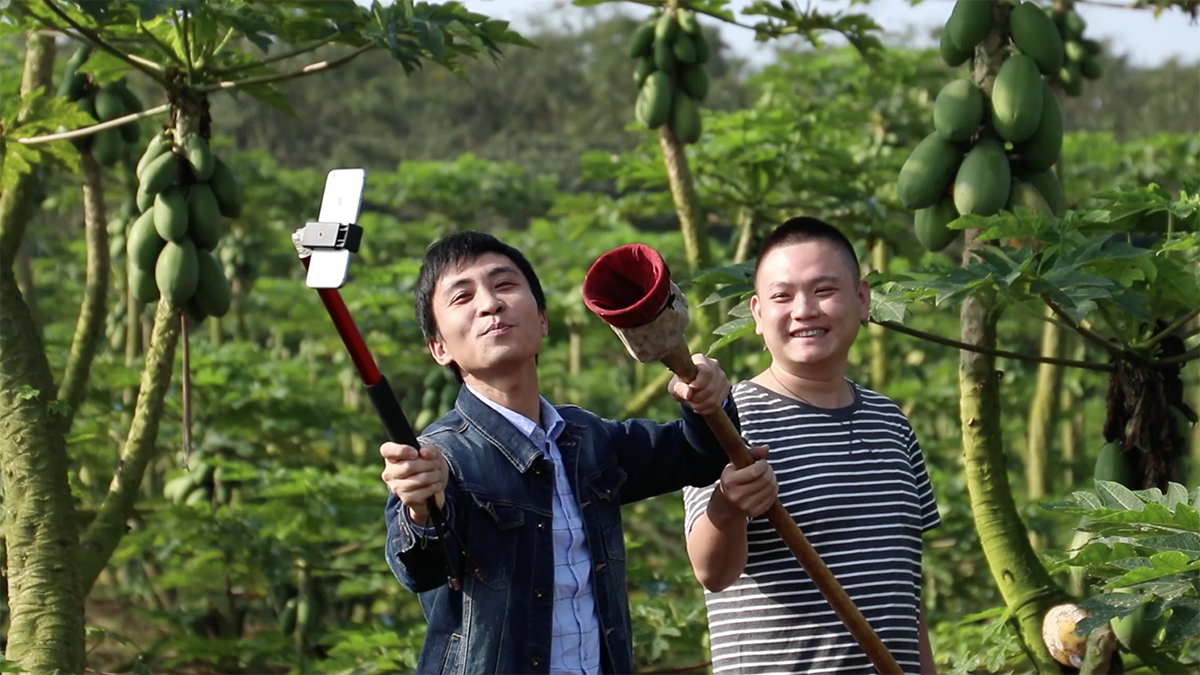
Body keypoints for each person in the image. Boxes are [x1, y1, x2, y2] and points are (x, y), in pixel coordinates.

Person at [379, 230, 740, 675]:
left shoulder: (586, 437)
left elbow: (696, 454)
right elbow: (419, 566)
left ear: (543, 320)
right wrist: (420, 509)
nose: (490, 304)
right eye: (462, 297)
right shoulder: (440, 459)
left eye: (505, 285)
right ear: (439, 348)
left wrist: (708, 399)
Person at [682, 216, 942, 675]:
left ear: (863, 300)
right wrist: (727, 505)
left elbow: (904, 592)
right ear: (758, 315)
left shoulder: (892, 422)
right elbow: (712, 574)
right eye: (783, 296)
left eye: (824, 290)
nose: (804, 310)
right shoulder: (727, 419)